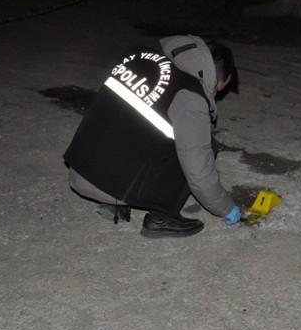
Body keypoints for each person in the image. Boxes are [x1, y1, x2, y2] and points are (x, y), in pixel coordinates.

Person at [63, 35, 242, 238]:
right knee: (200, 146)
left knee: (137, 124)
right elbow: (199, 172)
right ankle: (161, 217)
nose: (216, 94)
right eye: (219, 88)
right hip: (107, 186)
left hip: (80, 169)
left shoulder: (139, 58)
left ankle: (116, 203)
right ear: (218, 77)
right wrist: (226, 208)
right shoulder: (189, 95)